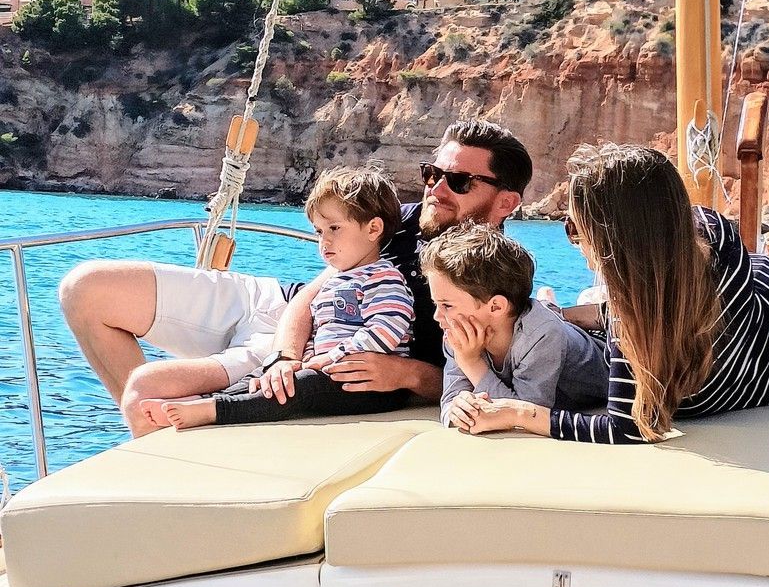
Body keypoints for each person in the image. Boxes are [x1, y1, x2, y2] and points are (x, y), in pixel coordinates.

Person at [58, 119, 533, 436]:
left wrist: (406, 373)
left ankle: (165, 452)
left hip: (335, 350)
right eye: (433, 173)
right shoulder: (394, 219)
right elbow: (315, 290)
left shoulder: (497, 279)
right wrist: (284, 354)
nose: (436, 189)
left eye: (460, 182)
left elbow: (473, 373)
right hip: (291, 313)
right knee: (88, 290)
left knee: (147, 389)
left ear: (506, 202)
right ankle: (162, 447)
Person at [451, 143, 769, 443]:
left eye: (576, 228)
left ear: (612, 237)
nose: (575, 242)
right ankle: (569, 313)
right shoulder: (711, 235)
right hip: (766, 315)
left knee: (654, 300)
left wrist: (518, 412)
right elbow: (666, 292)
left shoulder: (632, 319)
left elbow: (627, 426)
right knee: (658, 291)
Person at [138, 166, 415, 432]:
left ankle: (217, 410)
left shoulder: (383, 277)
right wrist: (301, 359)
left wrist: (330, 358)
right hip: (331, 372)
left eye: (334, 228)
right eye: (319, 232)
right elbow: (320, 331)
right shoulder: (334, 280)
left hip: (369, 386)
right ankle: (209, 398)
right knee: (266, 376)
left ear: (373, 229)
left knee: (300, 387)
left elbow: (386, 330)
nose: (324, 241)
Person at [419, 223, 609, 428]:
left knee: (557, 323)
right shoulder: (458, 332)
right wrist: (458, 409)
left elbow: (524, 412)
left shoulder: (540, 335)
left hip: (602, 349)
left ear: (496, 306)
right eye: (436, 304)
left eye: (447, 305)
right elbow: (450, 400)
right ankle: (548, 301)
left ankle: (554, 306)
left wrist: (471, 363)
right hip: (549, 329)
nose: (438, 316)